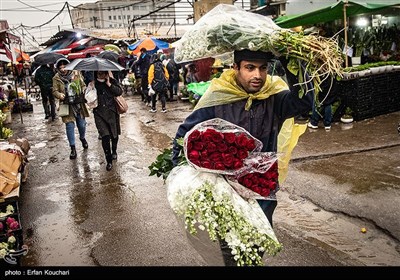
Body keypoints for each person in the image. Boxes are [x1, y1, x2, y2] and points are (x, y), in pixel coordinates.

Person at [171, 49, 313, 266]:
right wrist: (183, 176)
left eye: (263, 68)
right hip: (228, 193)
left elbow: (303, 102)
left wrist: (291, 63)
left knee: (256, 248)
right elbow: (185, 137)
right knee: (232, 251)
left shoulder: (274, 98)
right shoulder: (219, 96)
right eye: (250, 68)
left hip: (262, 190)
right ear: (235, 67)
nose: (257, 75)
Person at [52, 58, 89, 160]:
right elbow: (54, 91)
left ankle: (82, 138)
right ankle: (73, 148)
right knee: (69, 125)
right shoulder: (56, 78)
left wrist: (82, 90)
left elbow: (83, 85)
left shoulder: (76, 73)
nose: (63, 69)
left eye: (64, 67)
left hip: (78, 104)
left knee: (81, 124)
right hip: (66, 104)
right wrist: (60, 95)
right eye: (60, 68)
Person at [91, 71, 123, 171]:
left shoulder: (112, 81)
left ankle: (114, 150)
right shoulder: (93, 84)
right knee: (105, 136)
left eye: (103, 73)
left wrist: (109, 84)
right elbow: (87, 98)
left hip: (112, 112)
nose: (101, 75)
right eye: (99, 73)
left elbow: (119, 92)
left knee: (114, 135)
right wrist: (90, 89)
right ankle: (108, 160)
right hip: (99, 114)